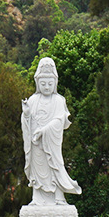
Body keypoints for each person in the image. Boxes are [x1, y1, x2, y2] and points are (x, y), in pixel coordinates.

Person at [22, 57, 81, 205]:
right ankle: (37, 198)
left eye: (50, 83)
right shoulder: (33, 100)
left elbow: (60, 121)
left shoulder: (59, 100)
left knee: (54, 167)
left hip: (51, 144)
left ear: (55, 83)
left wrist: (44, 131)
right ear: (37, 83)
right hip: (36, 145)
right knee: (37, 171)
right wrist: (27, 114)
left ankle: (59, 198)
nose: (46, 87)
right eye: (43, 83)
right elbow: (27, 121)